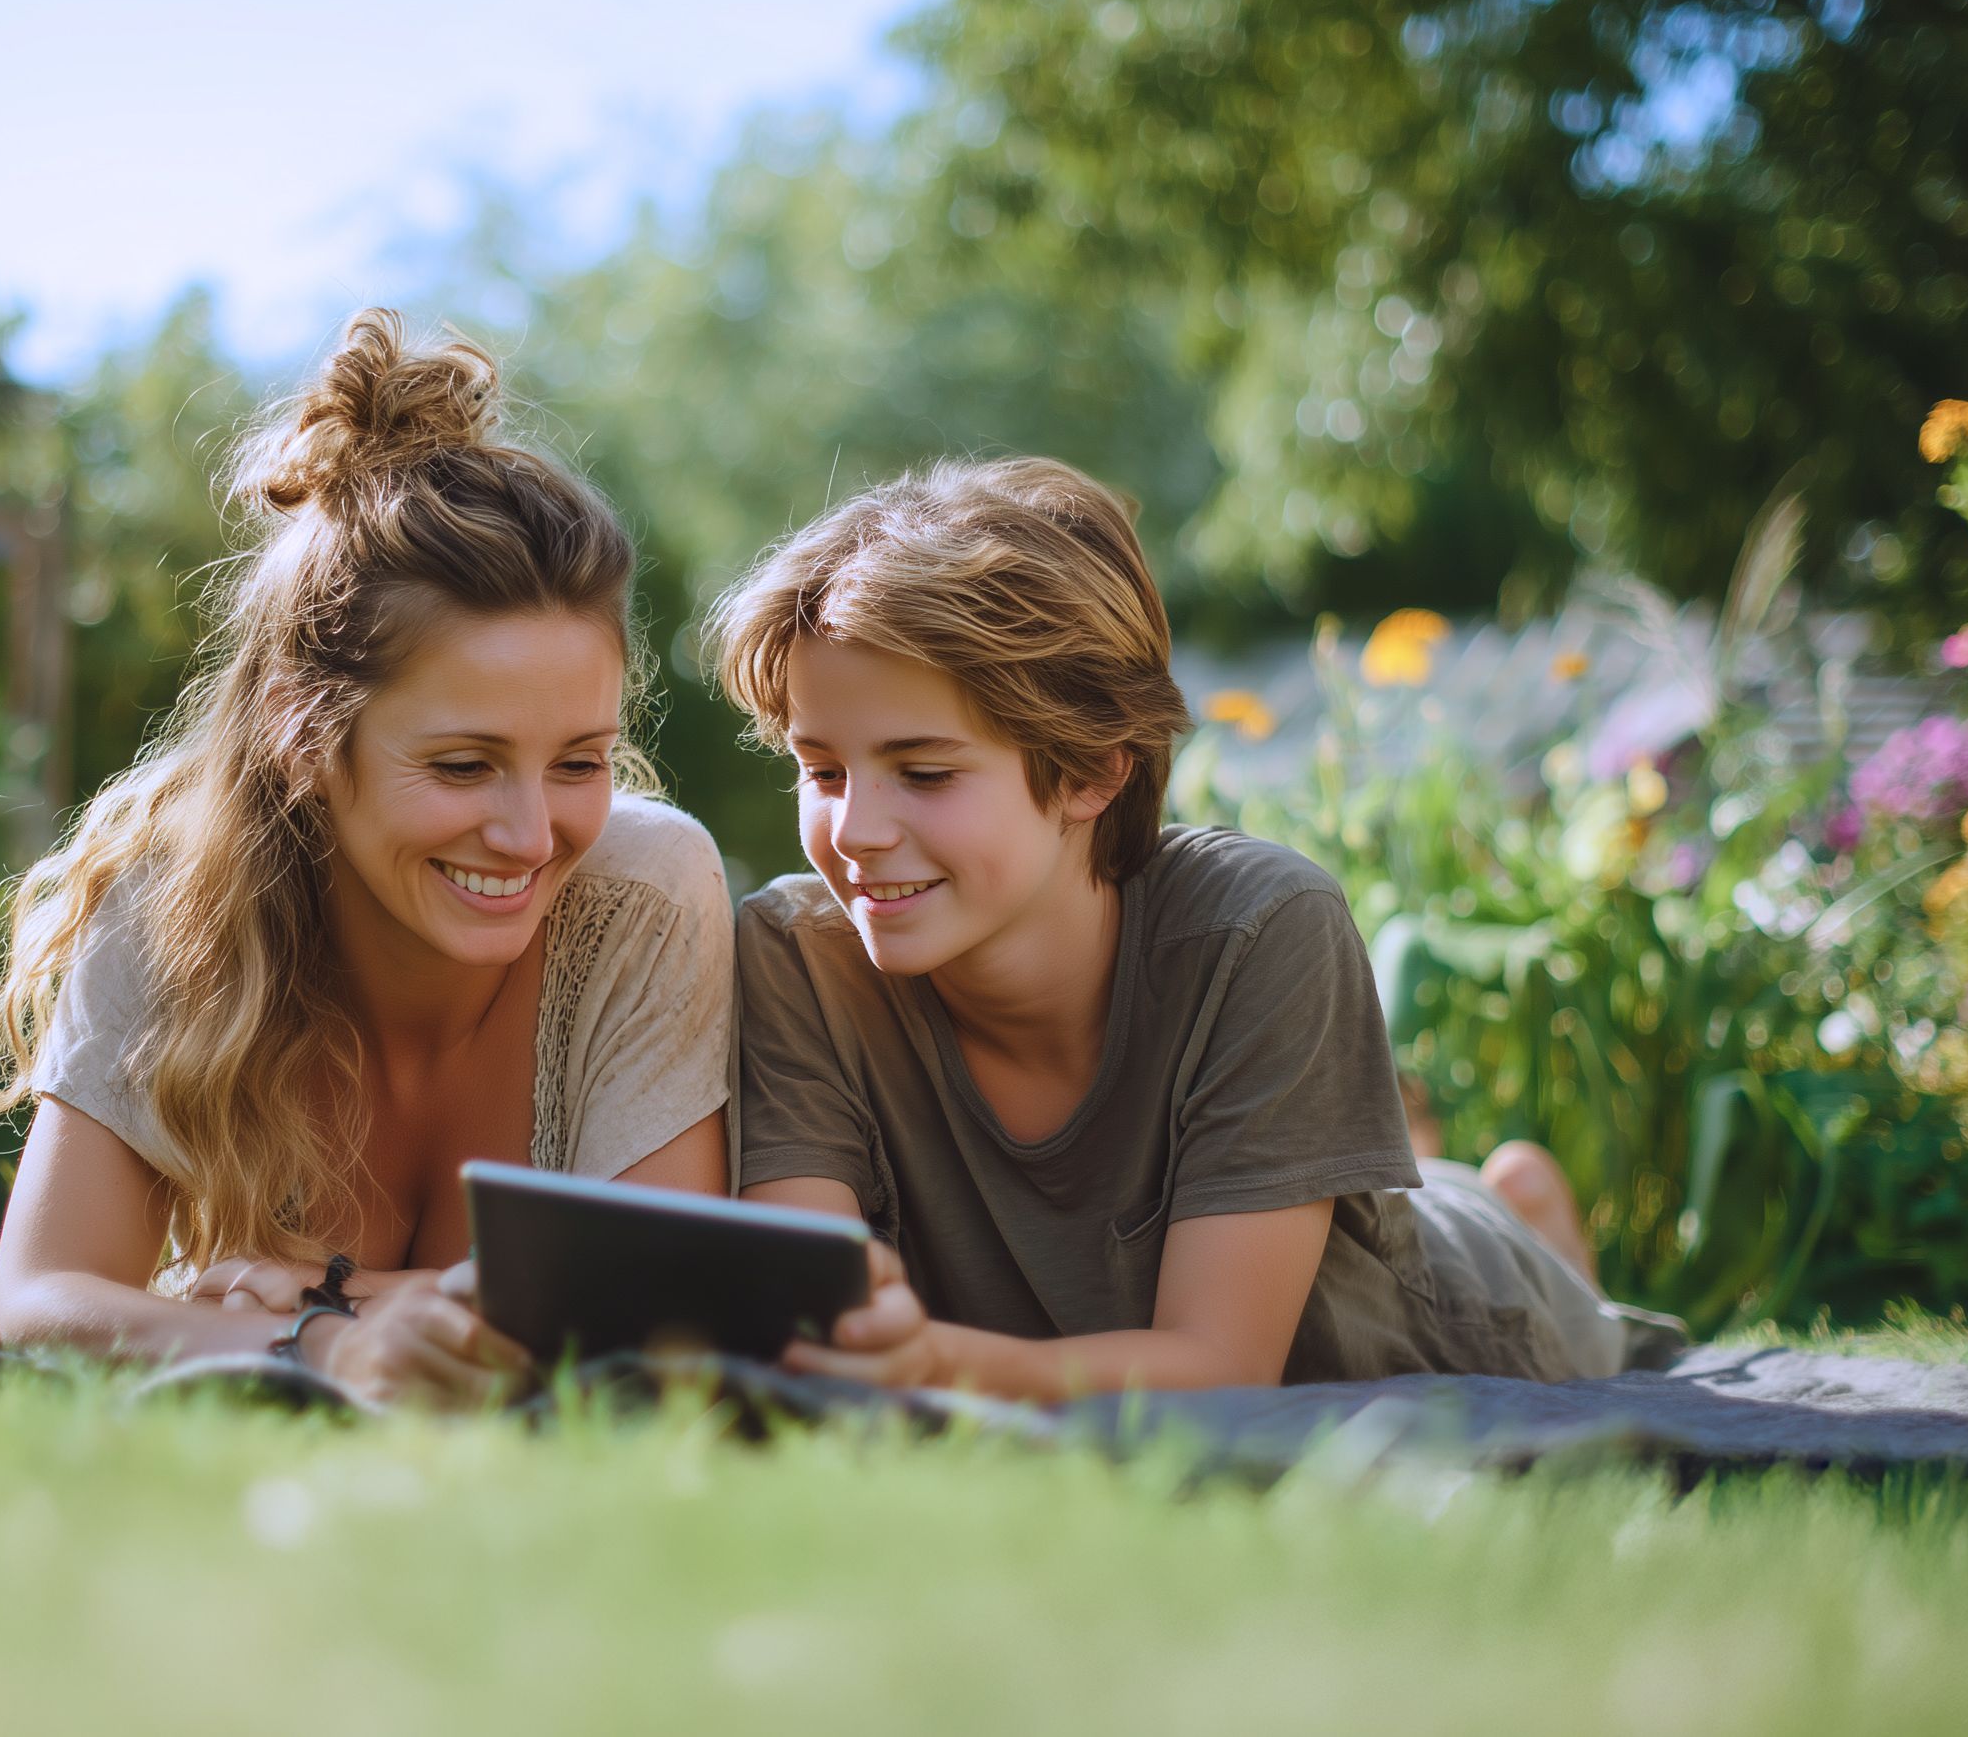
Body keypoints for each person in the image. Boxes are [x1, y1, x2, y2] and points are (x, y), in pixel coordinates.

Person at [712, 457, 1684, 1402]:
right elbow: (814, 1311)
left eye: (923, 773)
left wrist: (925, 1362)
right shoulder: (802, 959)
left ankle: (1526, 1218)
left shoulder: (1257, 928)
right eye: (823, 771)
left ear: (1094, 770)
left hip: (1464, 1312)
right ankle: (1457, 1180)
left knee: (1516, 1267)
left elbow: (1219, 1371)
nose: (854, 832)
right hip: (1132, 1319)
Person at [0, 309, 732, 1406]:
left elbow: (662, 1318)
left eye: (577, 762)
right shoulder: (178, 896)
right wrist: (322, 1348)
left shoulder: (646, 892)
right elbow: (44, 1297)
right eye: (463, 766)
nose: (529, 834)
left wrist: (329, 1290)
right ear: (301, 733)